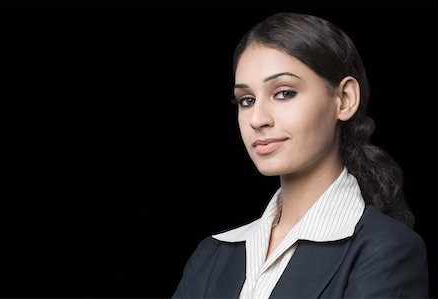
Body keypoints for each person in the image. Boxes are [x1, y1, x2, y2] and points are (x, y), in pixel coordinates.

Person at [172, 12, 429, 299]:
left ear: (344, 99)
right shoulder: (212, 254)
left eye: (283, 93)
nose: (257, 119)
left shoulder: (386, 249)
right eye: (246, 100)